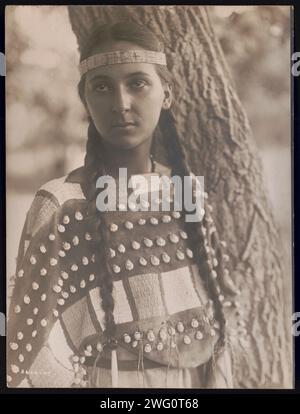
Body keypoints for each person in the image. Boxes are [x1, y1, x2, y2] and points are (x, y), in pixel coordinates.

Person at [7, 21, 240, 388]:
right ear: (84, 97)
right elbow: (25, 348)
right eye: (102, 87)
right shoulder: (62, 205)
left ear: (168, 93)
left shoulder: (186, 194)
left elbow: (219, 320)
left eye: (138, 83)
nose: (121, 103)